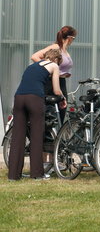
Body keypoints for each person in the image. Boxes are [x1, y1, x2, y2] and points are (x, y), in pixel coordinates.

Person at [8, 49, 66, 181]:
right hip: (34, 99)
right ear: (56, 59)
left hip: (19, 98)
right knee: (36, 136)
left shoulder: (32, 66)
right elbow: (56, 90)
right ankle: (37, 174)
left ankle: (13, 175)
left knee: (18, 137)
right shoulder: (54, 66)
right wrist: (63, 98)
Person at [31, 25, 77, 123]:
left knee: (61, 113)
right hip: (51, 82)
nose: (73, 41)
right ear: (69, 38)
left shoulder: (64, 50)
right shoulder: (56, 47)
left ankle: (54, 137)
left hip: (62, 82)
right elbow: (35, 56)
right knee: (49, 114)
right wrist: (49, 69)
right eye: (74, 38)